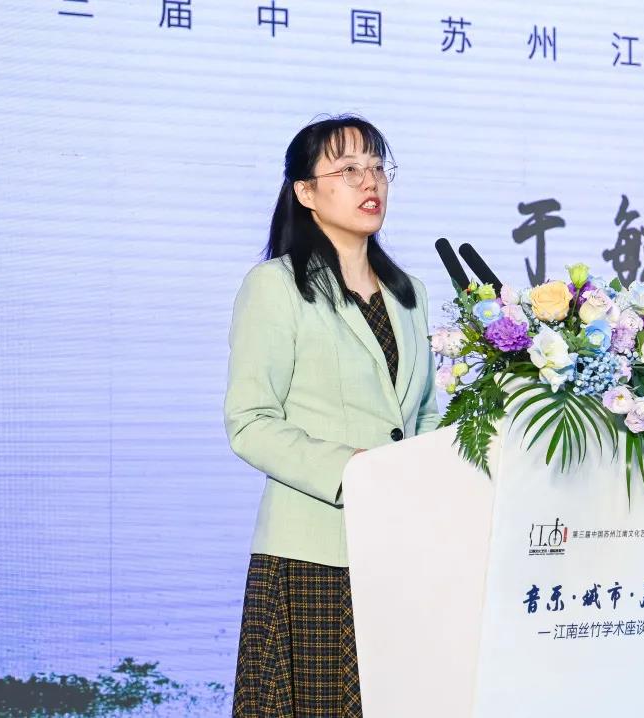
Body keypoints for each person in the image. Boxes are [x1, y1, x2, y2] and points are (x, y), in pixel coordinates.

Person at [225, 115, 440, 717]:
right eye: (347, 170)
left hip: (400, 549)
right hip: (312, 554)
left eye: (377, 168)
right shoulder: (275, 287)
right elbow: (249, 421)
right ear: (306, 192)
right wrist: (355, 471)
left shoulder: (410, 293)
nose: (369, 182)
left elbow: (422, 415)